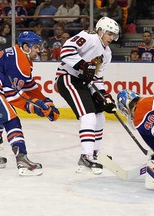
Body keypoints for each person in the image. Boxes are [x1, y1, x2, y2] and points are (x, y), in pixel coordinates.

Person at [0, 31, 59, 176]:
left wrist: (47, 101)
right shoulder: (19, 61)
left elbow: (30, 86)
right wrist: (38, 107)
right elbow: (12, 95)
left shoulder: (18, 57)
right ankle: (22, 159)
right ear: (26, 46)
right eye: (36, 47)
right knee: (11, 120)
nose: (38, 50)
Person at [55, 17, 119, 175]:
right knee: (88, 116)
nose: (111, 38)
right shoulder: (89, 37)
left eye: (114, 35)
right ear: (100, 30)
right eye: (109, 33)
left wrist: (104, 96)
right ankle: (86, 156)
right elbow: (66, 50)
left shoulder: (107, 53)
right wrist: (82, 65)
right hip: (68, 78)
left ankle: (94, 154)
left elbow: (96, 77)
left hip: (84, 83)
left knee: (99, 115)